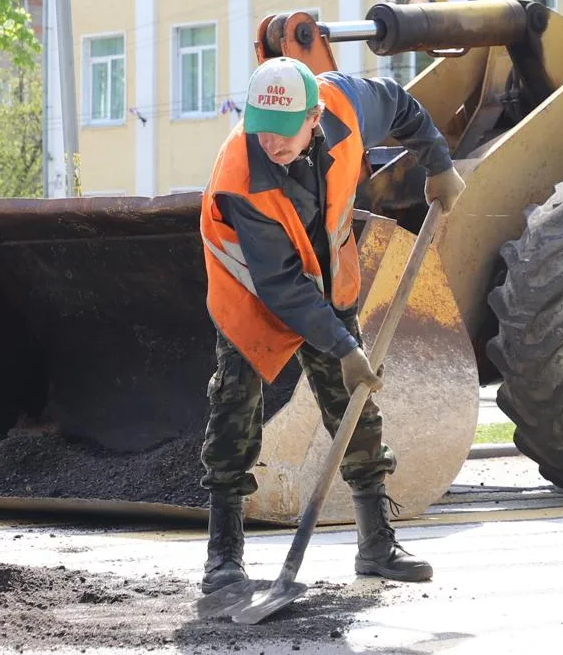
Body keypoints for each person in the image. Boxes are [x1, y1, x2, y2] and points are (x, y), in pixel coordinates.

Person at [198, 57, 465, 594]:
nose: (268, 144)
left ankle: (376, 545)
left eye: (281, 134)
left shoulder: (346, 101)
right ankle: (223, 556)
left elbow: (401, 104)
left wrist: (438, 163)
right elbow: (281, 285)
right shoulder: (240, 177)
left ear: (314, 116)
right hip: (252, 290)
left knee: (356, 405)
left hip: (326, 278)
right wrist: (343, 345)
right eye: (259, 131)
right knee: (235, 410)